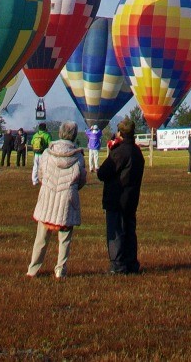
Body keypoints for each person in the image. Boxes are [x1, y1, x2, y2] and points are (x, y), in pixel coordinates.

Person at [27, 119, 86, 279]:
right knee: (64, 239)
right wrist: (71, 189)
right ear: (74, 136)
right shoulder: (78, 157)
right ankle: (60, 270)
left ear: (59, 133)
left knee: (41, 238)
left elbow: (40, 174)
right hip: (67, 200)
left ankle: (33, 269)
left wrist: (47, 185)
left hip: (47, 198)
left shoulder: (47, 153)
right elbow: (82, 179)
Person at [97, 118, 145, 274]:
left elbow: (103, 173)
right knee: (130, 231)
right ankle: (131, 263)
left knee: (116, 232)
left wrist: (112, 152)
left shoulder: (120, 152)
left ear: (120, 133)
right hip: (131, 198)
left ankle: (118, 265)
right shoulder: (137, 152)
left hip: (116, 199)